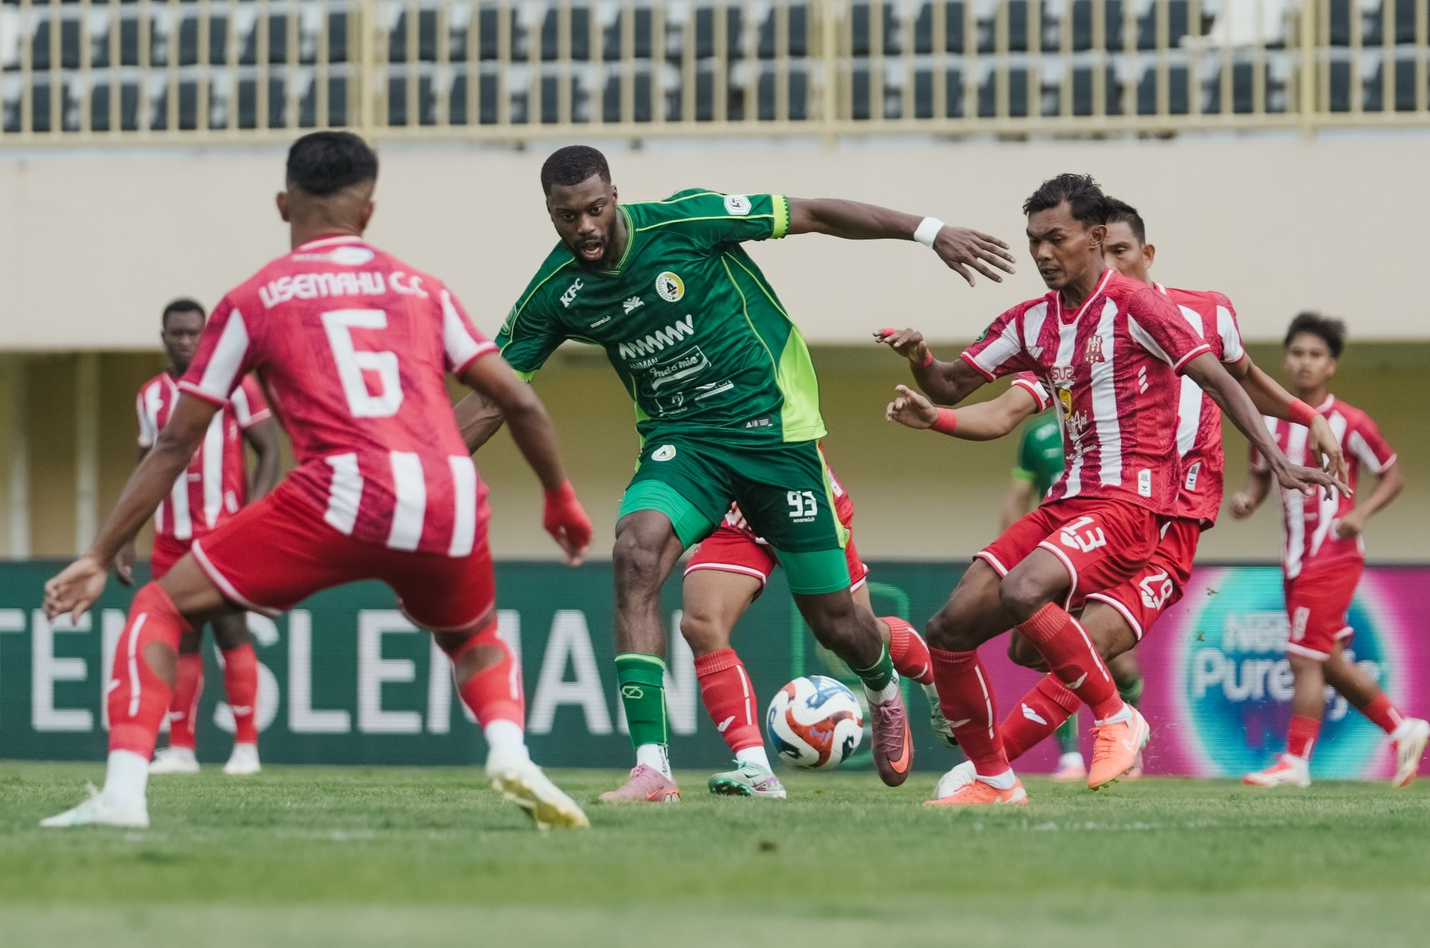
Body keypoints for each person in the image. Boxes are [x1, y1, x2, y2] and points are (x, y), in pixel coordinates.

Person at [40, 131, 594, 831]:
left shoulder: (254, 299)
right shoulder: (423, 289)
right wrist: (560, 497)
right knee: (473, 632)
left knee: (160, 605)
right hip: (448, 491)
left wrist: (97, 553)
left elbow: (177, 440)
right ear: (368, 212)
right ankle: (512, 751)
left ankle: (122, 794)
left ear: (283, 204)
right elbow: (518, 401)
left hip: (341, 493)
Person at [456, 144, 1017, 802]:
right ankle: (654, 768)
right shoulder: (557, 292)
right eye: (565, 216)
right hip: (684, 444)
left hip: (774, 434)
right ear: (549, 214)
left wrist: (929, 231)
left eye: (595, 209)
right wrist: (423, 467)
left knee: (837, 624)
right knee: (636, 554)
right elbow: (493, 394)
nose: (583, 227)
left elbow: (810, 212)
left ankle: (883, 683)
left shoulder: (684, 223)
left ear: (615, 195)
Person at [876, 174, 1341, 806]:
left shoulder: (1147, 308)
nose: (1042, 253)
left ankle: (1115, 716)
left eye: (1056, 239)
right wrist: (921, 362)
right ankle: (995, 778)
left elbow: (1225, 378)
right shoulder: (1033, 322)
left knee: (1029, 595)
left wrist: (1279, 452)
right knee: (951, 627)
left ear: (1100, 240)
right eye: (1034, 240)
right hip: (1066, 500)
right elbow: (957, 387)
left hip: (1137, 503)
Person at [1233, 312, 1427, 789]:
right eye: (1297, 353)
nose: (1305, 363)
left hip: (1334, 554)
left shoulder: (1350, 422)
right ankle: (1403, 728)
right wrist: (1247, 500)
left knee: (1302, 658)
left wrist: (1360, 514)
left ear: (1331, 366)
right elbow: (1261, 474)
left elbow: (1393, 476)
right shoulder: (1270, 421)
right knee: (1328, 661)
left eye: (1316, 355)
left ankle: (1295, 763)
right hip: (1295, 557)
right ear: (1285, 359)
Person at [683, 462, 947, 799]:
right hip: (735, 502)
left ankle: (897, 682)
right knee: (701, 624)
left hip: (797, 488)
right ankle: (756, 769)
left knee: (853, 636)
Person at [117, 298, 281, 776]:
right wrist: (126, 533)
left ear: (208, 336)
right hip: (171, 538)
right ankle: (183, 749)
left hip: (221, 534)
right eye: (177, 334)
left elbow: (269, 451)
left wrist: (252, 516)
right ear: (164, 336)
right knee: (180, 640)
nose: (186, 341)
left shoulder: (236, 385)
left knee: (232, 631)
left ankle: (246, 748)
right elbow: (146, 466)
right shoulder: (151, 397)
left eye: (194, 333)